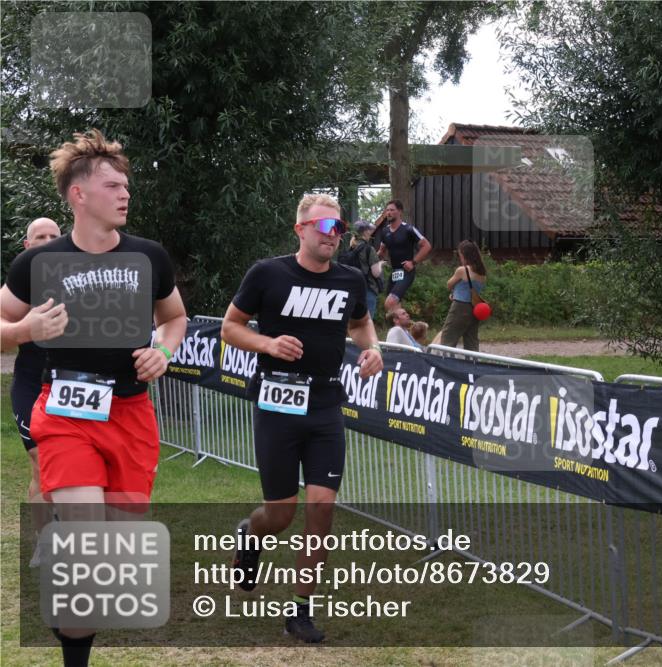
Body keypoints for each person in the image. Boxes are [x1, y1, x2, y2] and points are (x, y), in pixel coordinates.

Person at [0, 130, 187, 666]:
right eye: (112, 185)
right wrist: (25, 329)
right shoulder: (36, 264)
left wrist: (164, 352)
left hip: (130, 415)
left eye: (126, 185)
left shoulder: (149, 257)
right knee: (87, 543)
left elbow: (174, 318)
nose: (125, 194)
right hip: (65, 412)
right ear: (79, 195)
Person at [222, 194, 383, 643]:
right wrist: (268, 345)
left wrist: (373, 349)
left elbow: (361, 324)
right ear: (301, 230)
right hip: (276, 406)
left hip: (327, 405)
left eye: (340, 227)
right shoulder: (268, 273)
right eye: (325, 227)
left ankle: (300, 610)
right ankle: (250, 534)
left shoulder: (349, 279)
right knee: (280, 514)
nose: (335, 235)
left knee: (321, 509)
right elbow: (230, 327)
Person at [9, 218, 62, 562]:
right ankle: (45, 539)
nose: (45, 241)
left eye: (53, 236)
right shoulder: (18, 286)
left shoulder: (79, 279)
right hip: (30, 384)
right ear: (27, 246)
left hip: (71, 387)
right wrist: (25, 327)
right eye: (38, 237)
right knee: (40, 462)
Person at [376, 199, 431, 314]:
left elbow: (426, 246)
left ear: (399, 211)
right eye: (387, 210)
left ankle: (404, 328)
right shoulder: (385, 232)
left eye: (392, 210)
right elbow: (381, 251)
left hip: (406, 271)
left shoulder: (408, 229)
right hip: (394, 272)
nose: (389, 213)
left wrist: (413, 262)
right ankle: (405, 329)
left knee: (389, 303)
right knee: (392, 308)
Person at [438, 240, 487, 351]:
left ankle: (446, 364)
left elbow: (449, 284)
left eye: (460, 255)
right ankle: (472, 365)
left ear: (465, 255)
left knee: (448, 338)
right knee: (471, 341)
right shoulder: (482, 273)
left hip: (460, 307)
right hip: (475, 308)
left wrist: (453, 293)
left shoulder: (462, 270)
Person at [342, 221, 382, 319]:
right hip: (367, 289)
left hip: (352, 289)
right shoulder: (369, 249)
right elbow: (376, 273)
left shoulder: (350, 249)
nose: (370, 232)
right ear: (365, 232)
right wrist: (380, 264)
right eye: (369, 230)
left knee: (353, 323)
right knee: (366, 323)